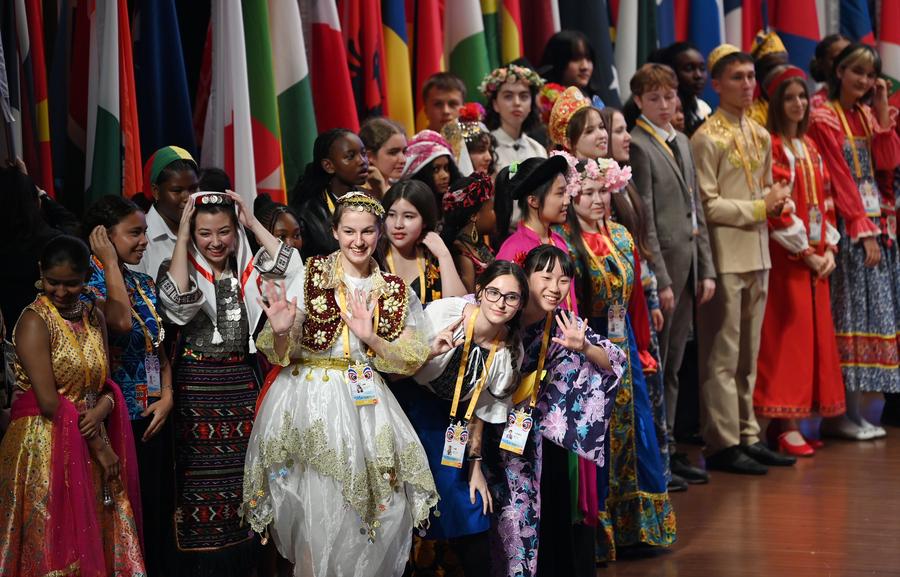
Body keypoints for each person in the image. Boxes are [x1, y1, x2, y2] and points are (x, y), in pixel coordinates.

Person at [242, 191, 438, 576]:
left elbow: (411, 357)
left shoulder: (393, 288)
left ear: (379, 233)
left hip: (367, 401)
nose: (358, 241)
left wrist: (372, 338)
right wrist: (280, 331)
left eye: (367, 232)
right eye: (349, 231)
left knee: (378, 509)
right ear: (334, 232)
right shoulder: (311, 275)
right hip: (309, 399)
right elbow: (282, 351)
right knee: (315, 504)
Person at [551, 149, 674, 559]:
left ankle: (635, 528)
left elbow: (635, 299)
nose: (596, 200)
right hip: (591, 344)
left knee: (637, 431)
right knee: (599, 434)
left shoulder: (621, 235)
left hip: (625, 346)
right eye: (586, 193)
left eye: (602, 191)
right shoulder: (567, 242)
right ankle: (601, 531)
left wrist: (643, 346)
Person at [0, 235, 145, 576]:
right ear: (40, 272)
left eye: (72, 284)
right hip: (45, 446)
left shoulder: (93, 314)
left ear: (86, 278)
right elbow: (49, 402)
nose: (61, 291)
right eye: (53, 282)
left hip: (90, 434)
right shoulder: (35, 321)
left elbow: (104, 380)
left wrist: (105, 406)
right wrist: (101, 447)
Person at [156, 190, 282, 574]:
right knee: (198, 483)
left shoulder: (250, 269)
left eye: (224, 231)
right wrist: (182, 236)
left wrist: (251, 222)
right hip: (196, 392)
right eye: (204, 233)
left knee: (245, 479)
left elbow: (290, 266)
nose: (215, 242)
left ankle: (247, 559)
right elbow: (178, 307)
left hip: (242, 386)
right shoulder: (178, 267)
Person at [482, 244, 624, 577]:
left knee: (529, 521)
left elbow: (614, 361)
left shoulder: (562, 324)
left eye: (563, 280)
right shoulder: (503, 310)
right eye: (545, 277)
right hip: (487, 429)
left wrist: (585, 347)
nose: (555, 288)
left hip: (532, 442)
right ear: (525, 277)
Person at [690, 44, 795, 475]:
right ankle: (722, 441)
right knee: (722, 353)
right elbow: (707, 204)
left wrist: (777, 201)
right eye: (738, 77)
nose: (748, 85)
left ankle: (749, 433)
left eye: (751, 76)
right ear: (716, 85)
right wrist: (758, 207)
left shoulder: (758, 133)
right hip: (724, 256)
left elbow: (766, 189)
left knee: (749, 353)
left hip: (758, 252)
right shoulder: (705, 138)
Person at [407, 261, 528, 577]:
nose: (500, 303)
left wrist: (475, 468)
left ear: (520, 304)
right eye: (494, 292)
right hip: (410, 407)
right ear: (479, 291)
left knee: (471, 504)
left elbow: (481, 410)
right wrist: (430, 352)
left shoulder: (509, 350)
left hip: (453, 424)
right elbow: (397, 366)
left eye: (511, 297)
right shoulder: (446, 313)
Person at [629, 63, 716, 486]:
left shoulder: (680, 139)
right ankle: (658, 455)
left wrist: (706, 267)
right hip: (664, 268)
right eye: (654, 98)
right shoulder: (638, 144)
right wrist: (660, 279)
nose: (665, 105)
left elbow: (694, 208)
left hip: (689, 263)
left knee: (676, 362)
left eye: (670, 96)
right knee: (660, 364)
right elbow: (645, 218)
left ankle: (673, 447)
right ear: (638, 101)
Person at [753, 66, 847, 456]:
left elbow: (826, 201)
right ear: (777, 103)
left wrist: (829, 249)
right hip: (788, 257)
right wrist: (807, 253)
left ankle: (796, 417)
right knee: (787, 337)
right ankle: (783, 421)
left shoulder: (810, 146)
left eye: (802, 97)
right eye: (789, 97)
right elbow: (779, 208)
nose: (798, 104)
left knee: (811, 338)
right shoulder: (775, 146)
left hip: (815, 255)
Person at [808, 43, 900, 438]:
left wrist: (882, 109)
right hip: (848, 228)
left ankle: (855, 413)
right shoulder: (823, 116)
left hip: (874, 225)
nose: (863, 80)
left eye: (870, 74)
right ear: (839, 72)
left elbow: (888, 162)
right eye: (857, 72)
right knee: (848, 317)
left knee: (871, 318)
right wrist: (862, 230)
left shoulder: (865, 114)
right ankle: (837, 415)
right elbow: (840, 177)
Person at [82, 196, 176, 576]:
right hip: (113, 418)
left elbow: (158, 348)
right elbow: (121, 323)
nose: (144, 241)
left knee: (155, 512)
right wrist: (107, 262)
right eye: (134, 233)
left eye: (145, 232)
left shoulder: (143, 282)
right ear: (104, 236)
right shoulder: (86, 286)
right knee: (123, 515)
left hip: (152, 413)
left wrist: (168, 394)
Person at [494, 155, 576, 314]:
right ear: (533, 201)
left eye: (566, 192)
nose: (567, 201)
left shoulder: (558, 242)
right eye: (560, 193)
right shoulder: (513, 249)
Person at [0, 164, 65, 329]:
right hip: (51, 333)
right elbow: (72, 223)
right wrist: (41, 193)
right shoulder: (55, 243)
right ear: (36, 202)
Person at [290, 128, 370, 258]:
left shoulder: (370, 202)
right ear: (329, 165)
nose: (362, 161)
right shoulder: (307, 215)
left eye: (363, 153)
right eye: (350, 156)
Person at [382, 179, 466, 301]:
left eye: (408, 216)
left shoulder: (432, 257)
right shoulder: (374, 255)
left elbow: (459, 305)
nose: (398, 224)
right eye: (391, 215)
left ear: (425, 221)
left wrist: (444, 255)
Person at [131, 145, 200, 278]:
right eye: (177, 191)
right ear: (156, 191)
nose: (188, 198)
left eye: (193, 189)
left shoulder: (206, 229)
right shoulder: (140, 238)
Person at [481, 64, 548, 172]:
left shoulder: (538, 150)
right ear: (495, 104)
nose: (517, 103)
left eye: (523, 96)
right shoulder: (486, 149)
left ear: (531, 104)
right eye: (508, 96)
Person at [442, 174, 498, 293]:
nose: (495, 215)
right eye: (492, 209)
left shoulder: (476, 245)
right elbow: (467, 299)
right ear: (474, 216)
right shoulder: (462, 256)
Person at [651, 42, 713, 137]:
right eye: (689, 68)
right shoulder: (660, 112)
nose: (698, 75)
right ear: (670, 72)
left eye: (702, 68)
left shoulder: (703, 108)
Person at [402, 130, 462, 220]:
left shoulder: (455, 205)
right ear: (421, 174)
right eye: (436, 170)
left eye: (446, 168)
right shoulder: (407, 206)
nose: (445, 175)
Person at [539, 30, 605, 107]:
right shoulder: (543, 100)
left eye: (589, 59)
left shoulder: (594, 100)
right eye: (576, 59)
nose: (585, 66)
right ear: (558, 61)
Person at [747, 30, 790, 127]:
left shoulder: (797, 108)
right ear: (757, 74)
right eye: (770, 68)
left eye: (783, 67)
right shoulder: (752, 120)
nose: (778, 74)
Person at [360, 116, 409, 197]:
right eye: (393, 152)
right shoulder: (357, 195)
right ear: (369, 156)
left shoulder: (402, 191)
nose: (403, 160)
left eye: (404, 151)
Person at [809, 34, 851, 109]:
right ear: (821, 63)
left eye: (849, 58)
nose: (844, 63)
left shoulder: (862, 102)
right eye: (837, 58)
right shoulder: (816, 104)